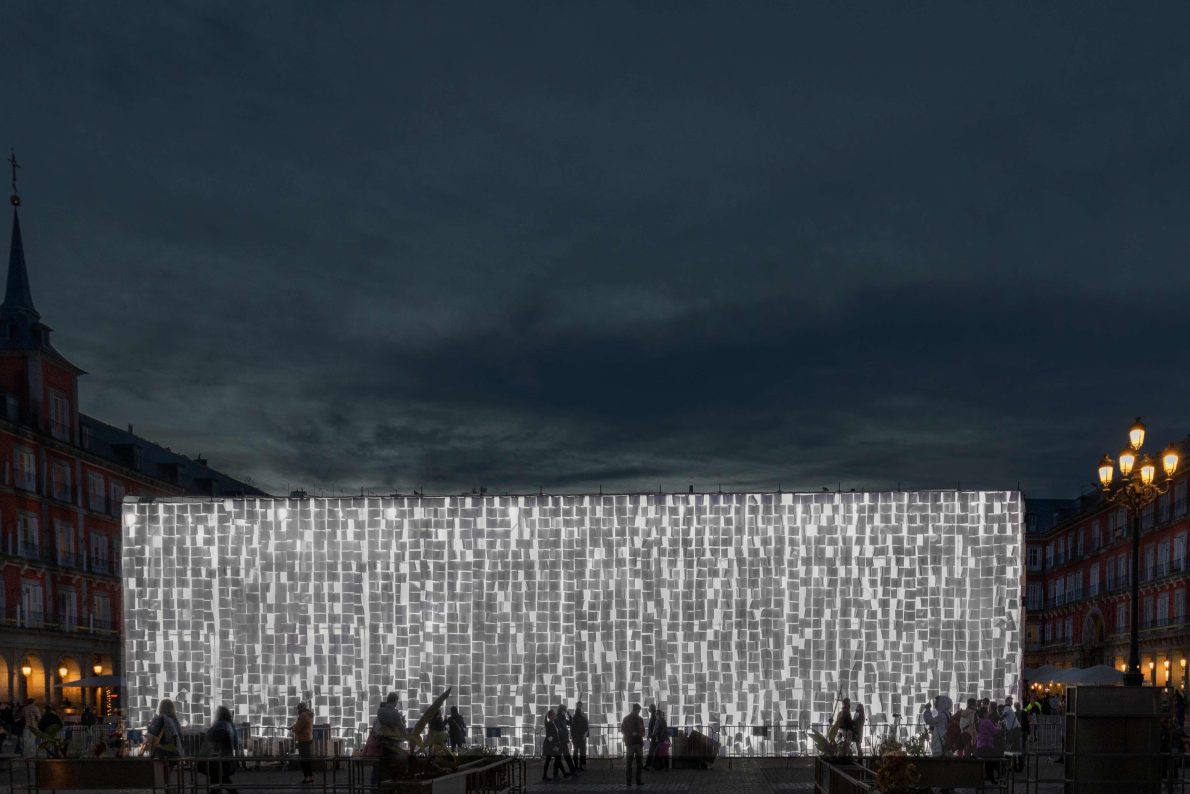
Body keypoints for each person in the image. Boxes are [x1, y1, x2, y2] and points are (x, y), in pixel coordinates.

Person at [376, 694, 410, 786]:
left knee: (384, 768)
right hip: (393, 744)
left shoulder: (380, 711)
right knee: (405, 758)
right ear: (395, 701)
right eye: (396, 702)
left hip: (382, 744)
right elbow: (402, 728)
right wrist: (403, 722)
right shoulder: (395, 714)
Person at [205, 706, 240, 794]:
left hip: (219, 759)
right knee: (221, 781)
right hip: (226, 758)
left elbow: (215, 740)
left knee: (220, 780)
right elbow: (235, 742)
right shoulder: (229, 725)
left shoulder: (220, 725)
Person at [145, 699, 182, 764]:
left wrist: (149, 726)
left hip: (162, 752)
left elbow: (152, 734)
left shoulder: (160, 719)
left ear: (161, 707)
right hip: (175, 752)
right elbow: (180, 738)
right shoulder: (176, 721)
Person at [288, 702, 314, 785]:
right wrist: (294, 727)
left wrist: (293, 728)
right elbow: (301, 725)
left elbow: (298, 728)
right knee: (308, 759)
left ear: (300, 709)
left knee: (304, 760)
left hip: (303, 740)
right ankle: (310, 777)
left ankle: (307, 778)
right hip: (308, 738)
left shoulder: (303, 715)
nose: (297, 711)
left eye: (298, 709)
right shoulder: (308, 715)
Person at [974, 707, 1002, 783]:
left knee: (988, 763)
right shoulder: (987, 721)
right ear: (984, 714)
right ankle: (995, 778)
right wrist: (999, 726)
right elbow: (995, 731)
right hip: (987, 745)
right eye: (987, 712)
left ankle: (991, 779)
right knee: (992, 763)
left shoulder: (979, 721)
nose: (988, 713)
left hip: (979, 746)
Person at [621, 703, 645, 786]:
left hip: (635, 743)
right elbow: (623, 730)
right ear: (634, 710)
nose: (638, 712)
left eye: (639, 711)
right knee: (630, 764)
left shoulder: (638, 719)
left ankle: (635, 780)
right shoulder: (627, 719)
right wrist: (632, 734)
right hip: (632, 743)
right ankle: (630, 781)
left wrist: (640, 733)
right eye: (638, 710)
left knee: (636, 764)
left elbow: (643, 730)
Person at [541, 709, 568, 781]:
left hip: (550, 745)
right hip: (550, 746)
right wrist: (554, 746)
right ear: (551, 716)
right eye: (554, 714)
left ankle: (562, 774)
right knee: (553, 759)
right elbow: (549, 736)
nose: (555, 714)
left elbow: (553, 735)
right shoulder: (550, 724)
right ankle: (562, 774)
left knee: (554, 759)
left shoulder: (553, 723)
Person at [555, 703, 578, 775]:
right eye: (564, 710)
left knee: (559, 757)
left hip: (563, 740)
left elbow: (570, 723)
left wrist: (569, 715)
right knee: (566, 756)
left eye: (565, 710)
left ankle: (556, 773)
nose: (565, 711)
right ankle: (572, 771)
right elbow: (558, 729)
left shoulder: (563, 718)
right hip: (561, 740)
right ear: (561, 710)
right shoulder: (558, 718)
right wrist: (564, 733)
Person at [571, 701, 589, 771]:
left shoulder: (574, 718)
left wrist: (572, 736)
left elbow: (572, 728)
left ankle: (576, 765)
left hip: (576, 737)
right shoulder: (583, 717)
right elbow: (586, 727)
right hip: (581, 737)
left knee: (576, 751)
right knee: (582, 751)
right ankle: (581, 765)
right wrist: (585, 735)